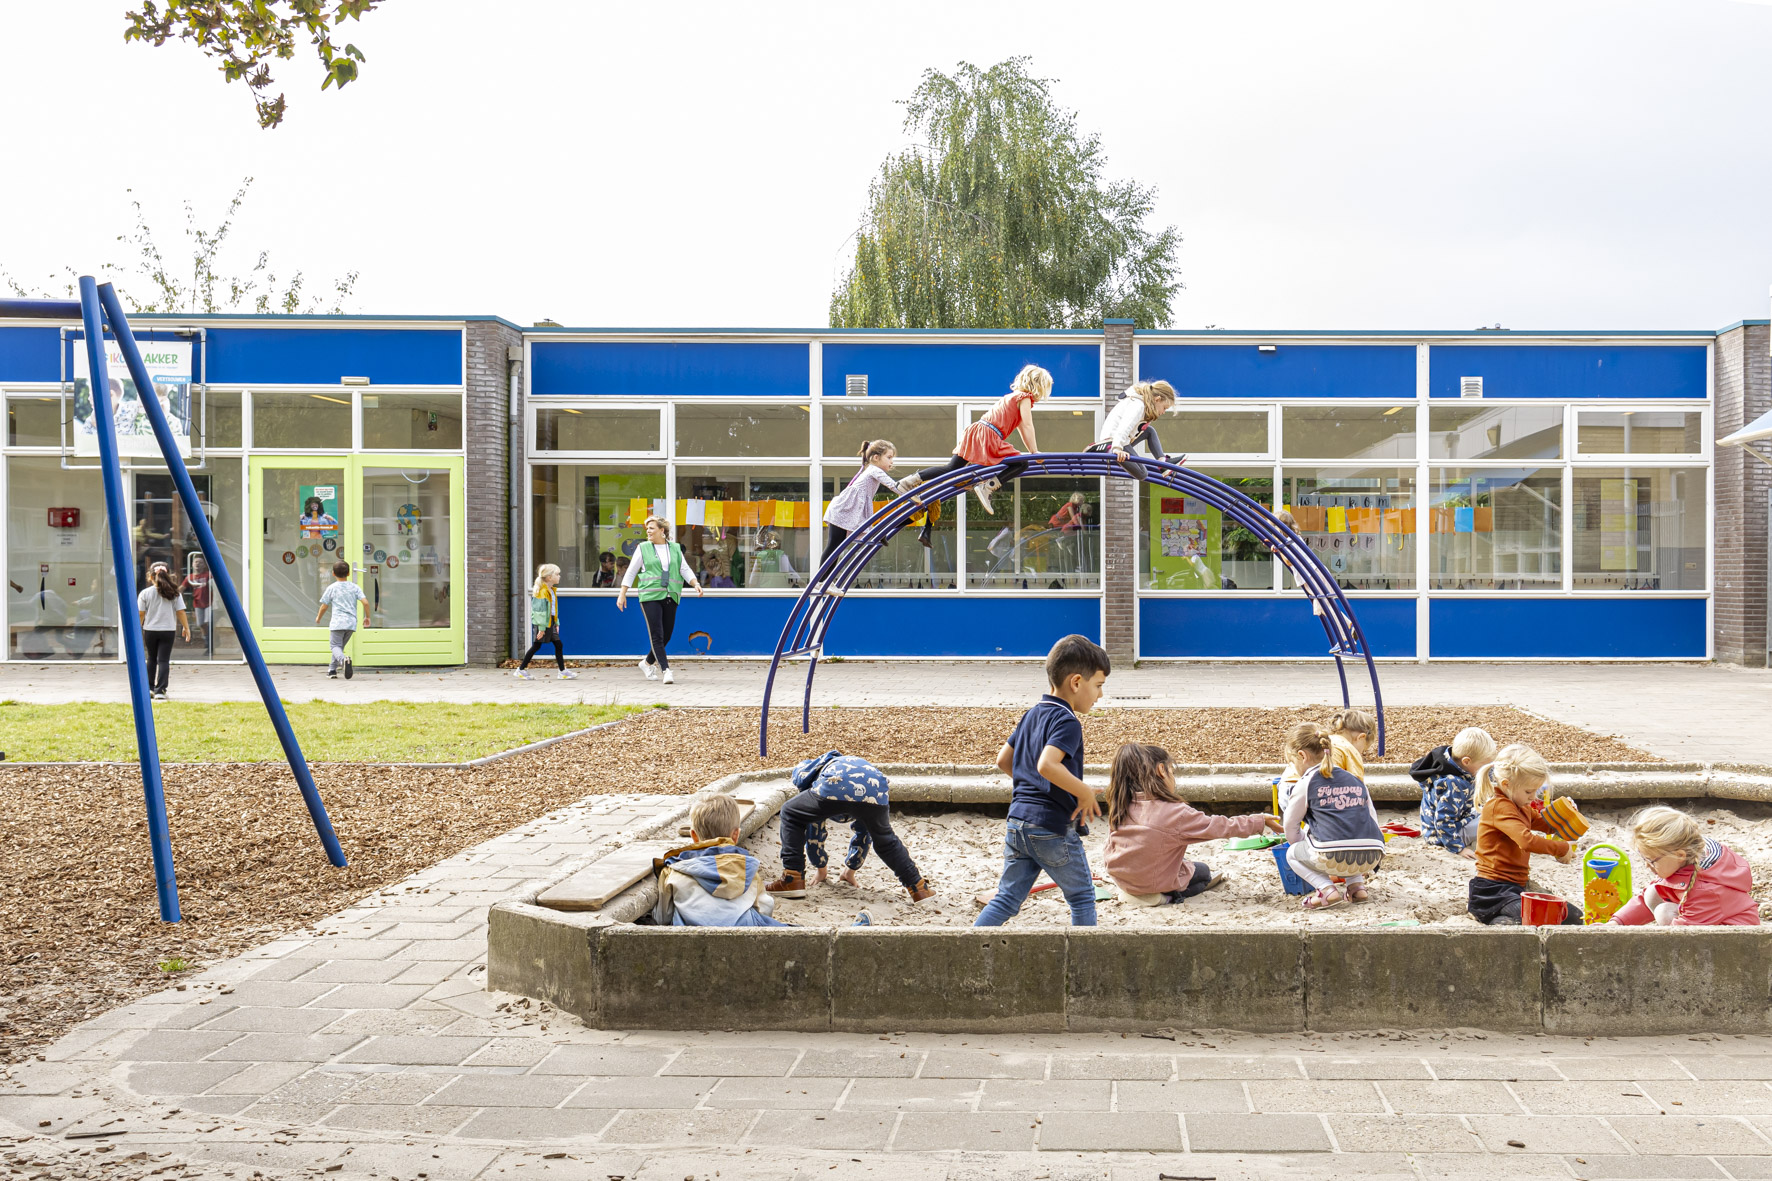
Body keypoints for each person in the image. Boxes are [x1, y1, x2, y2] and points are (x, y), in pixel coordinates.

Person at [975, 634, 1111, 928]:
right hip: (1051, 828)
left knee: (1006, 899)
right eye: (1098, 685)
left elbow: (1004, 761)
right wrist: (1084, 791)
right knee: (1082, 897)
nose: (1100, 695)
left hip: (1017, 823)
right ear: (1077, 683)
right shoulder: (1067, 721)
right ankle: (1085, 956)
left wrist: (1036, 787)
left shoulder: (1031, 715)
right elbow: (1047, 765)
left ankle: (968, 946)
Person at [1103, 742, 1281, 906]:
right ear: (1161, 770)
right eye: (1172, 772)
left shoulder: (1122, 803)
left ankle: (1135, 892)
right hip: (1152, 882)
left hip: (1122, 878)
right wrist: (1259, 820)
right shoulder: (1174, 812)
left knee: (1173, 858)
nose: (1173, 778)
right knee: (1203, 872)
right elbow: (1220, 826)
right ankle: (1166, 897)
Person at [896, 365, 1053, 546]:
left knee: (951, 469)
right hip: (989, 434)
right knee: (1022, 464)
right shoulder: (1024, 398)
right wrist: (1034, 452)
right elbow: (1027, 425)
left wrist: (1032, 451)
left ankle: (909, 481)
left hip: (977, 430)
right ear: (1038, 385)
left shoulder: (1011, 397)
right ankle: (987, 487)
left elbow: (1022, 429)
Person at [766, 750, 934, 904]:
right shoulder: (840, 763)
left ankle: (792, 879)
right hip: (876, 790)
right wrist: (850, 870)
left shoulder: (818, 776)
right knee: (885, 840)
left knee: (790, 812)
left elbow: (815, 830)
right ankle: (919, 888)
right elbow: (863, 833)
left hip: (836, 785)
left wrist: (821, 869)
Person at [1466, 744, 1583, 926]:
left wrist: (1564, 813)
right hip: (1492, 891)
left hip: (1517, 887)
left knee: (1573, 916)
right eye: (1528, 791)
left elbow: (1546, 824)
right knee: (1531, 919)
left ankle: (1506, 918)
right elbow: (1526, 841)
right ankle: (1499, 920)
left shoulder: (1520, 806)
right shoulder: (1499, 807)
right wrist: (1561, 848)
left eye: (1536, 790)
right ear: (1506, 784)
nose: (1533, 797)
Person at [1281, 722, 1387, 910]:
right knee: (1349, 836)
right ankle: (1357, 888)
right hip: (1373, 854)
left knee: (1293, 854)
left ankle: (1326, 890)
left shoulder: (1306, 782)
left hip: (1333, 856)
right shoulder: (1354, 779)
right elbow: (1372, 816)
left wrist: (1301, 843)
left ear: (1302, 756)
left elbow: (1291, 825)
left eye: (1292, 762)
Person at [1611, 806, 1759, 927]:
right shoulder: (1686, 858)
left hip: (1730, 943)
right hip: (1703, 921)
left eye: (1651, 861)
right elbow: (1646, 898)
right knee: (1653, 892)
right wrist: (1617, 922)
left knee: (1664, 912)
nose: (1647, 865)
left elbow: (1685, 935)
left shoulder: (1705, 891)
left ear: (1680, 855)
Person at [652, 795, 786, 927]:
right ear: (735, 835)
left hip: (692, 937)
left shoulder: (674, 870)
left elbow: (663, 917)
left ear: (694, 836)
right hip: (742, 933)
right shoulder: (745, 870)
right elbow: (765, 906)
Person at [616, 515, 703, 684]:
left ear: (662, 530)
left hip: (671, 595)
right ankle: (666, 670)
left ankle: (647, 663)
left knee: (667, 635)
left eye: (651, 528)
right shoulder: (643, 548)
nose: (648, 531)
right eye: (647, 528)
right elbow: (631, 571)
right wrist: (622, 593)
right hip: (650, 595)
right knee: (657, 634)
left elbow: (684, 569)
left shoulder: (675, 548)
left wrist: (695, 584)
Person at [1410, 727, 1498, 859]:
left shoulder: (1453, 766)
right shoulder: (1453, 785)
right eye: (1484, 766)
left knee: (1492, 808)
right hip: (1445, 836)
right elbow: (1443, 821)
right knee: (1495, 818)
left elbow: (1489, 775)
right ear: (1466, 761)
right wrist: (1458, 848)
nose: (1487, 770)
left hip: (1457, 821)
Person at [821, 440, 902, 572]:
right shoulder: (874, 470)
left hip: (844, 510)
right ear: (876, 457)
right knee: (833, 547)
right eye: (889, 457)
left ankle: (824, 580)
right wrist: (912, 494)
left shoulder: (871, 470)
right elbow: (893, 485)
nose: (891, 462)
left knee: (836, 548)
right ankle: (821, 580)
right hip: (842, 510)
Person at [1087, 381, 1180, 481]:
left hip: (1121, 440)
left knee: (1149, 431)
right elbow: (1124, 427)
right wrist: (1117, 448)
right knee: (1142, 474)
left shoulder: (1141, 405)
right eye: (1164, 408)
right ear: (1157, 399)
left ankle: (1162, 462)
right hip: (1113, 440)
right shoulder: (1138, 405)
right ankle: (1105, 449)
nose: (1164, 412)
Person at [514, 563, 576, 680]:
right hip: (542, 623)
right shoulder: (541, 592)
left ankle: (562, 671)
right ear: (549, 577)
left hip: (549, 622)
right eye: (557, 574)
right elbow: (540, 612)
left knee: (558, 644)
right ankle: (521, 669)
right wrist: (541, 629)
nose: (559, 576)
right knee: (536, 646)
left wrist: (556, 622)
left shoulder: (551, 590)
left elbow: (553, 609)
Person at [136, 562, 188, 700]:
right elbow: (181, 612)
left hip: (150, 630)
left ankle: (149, 689)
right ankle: (160, 690)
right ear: (169, 575)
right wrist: (186, 627)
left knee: (151, 659)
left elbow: (141, 613)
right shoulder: (174, 592)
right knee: (163, 660)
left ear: (150, 576)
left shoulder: (145, 593)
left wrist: (138, 627)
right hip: (168, 630)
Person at [315, 560, 368, 680]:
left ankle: (344, 661)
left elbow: (324, 606)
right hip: (351, 624)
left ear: (333, 573)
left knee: (334, 646)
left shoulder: (332, 588)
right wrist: (367, 617)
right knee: (339, 648)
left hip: (337, 623)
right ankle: (332, 670)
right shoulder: (355, 587)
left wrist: (318, 617)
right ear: (349, 573)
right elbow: (365, 602)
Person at [179, 555, 213, 640]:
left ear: (204, 565)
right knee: (200, 623)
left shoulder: (208, 575)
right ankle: (206, 638)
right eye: (196, 562)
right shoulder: (190, 577)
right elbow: (181, 588)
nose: (198, 564)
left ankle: (210, 639)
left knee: (208, 621)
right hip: (198, 602)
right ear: (192, 564)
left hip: (209, 602)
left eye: (200, 562)